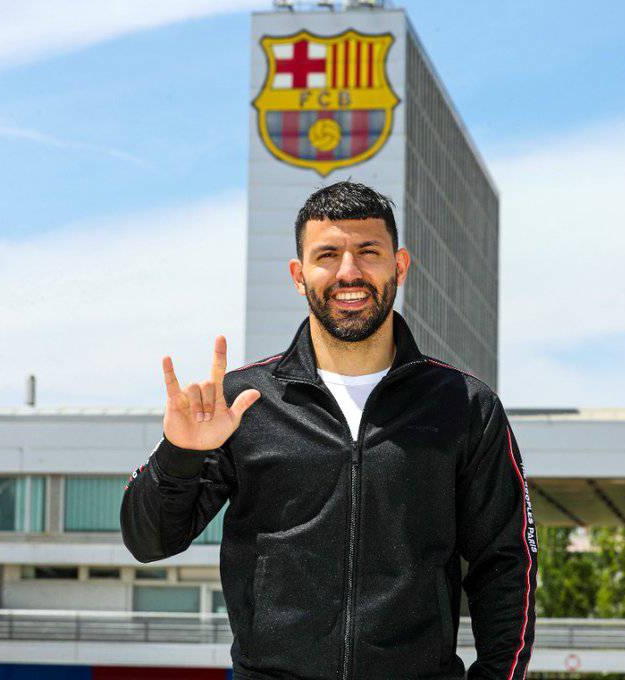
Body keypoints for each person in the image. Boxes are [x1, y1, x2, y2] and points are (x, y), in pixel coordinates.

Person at [120, 181, 538, 680]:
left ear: (400, 266)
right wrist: (180, 455)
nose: (349, 272)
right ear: (299, 276)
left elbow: (506, 564)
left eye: (368, 252)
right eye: (327, 255)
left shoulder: (464, 405)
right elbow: (149, 542)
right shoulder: (242, 402)